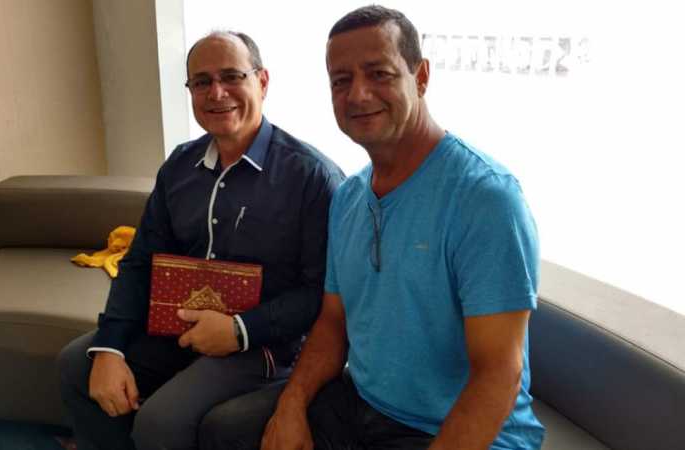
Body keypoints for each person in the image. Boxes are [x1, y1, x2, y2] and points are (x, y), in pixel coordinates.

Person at [199, 5, 545, 450]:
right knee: (225, 431)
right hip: (360, 405)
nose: (358, 94)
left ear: (421, 76)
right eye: (341, 80)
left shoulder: (484, 198)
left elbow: (498, 374)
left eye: (379, 74)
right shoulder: (348, 197)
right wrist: (292, 405)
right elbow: (332, 323)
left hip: (445, 430)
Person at [56, 30, 344, 450]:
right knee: (76, 365)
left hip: (263, 345)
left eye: (232, 76)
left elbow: (322, 291)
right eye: (202, 81)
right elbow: (140, 261)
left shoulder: (312, 177)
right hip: (179, 327)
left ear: (262, 81)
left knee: (161, 421)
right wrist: (110, 347)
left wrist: (240, 329)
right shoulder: (179, 166)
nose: (217, 92)